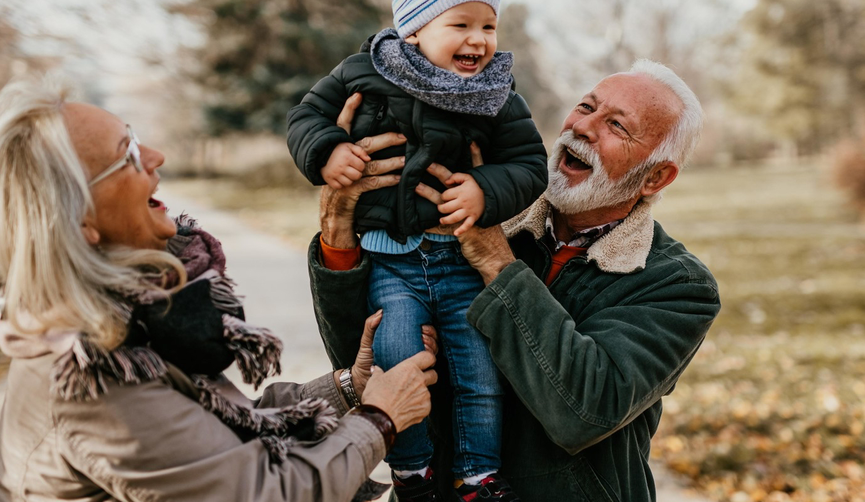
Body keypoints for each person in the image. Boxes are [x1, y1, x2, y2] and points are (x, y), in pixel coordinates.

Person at [0, 79, 438, 502]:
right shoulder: (92, 379)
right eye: (127, 155)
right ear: (77, 218)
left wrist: (349, 387)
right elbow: (263, 491)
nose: (156, 157)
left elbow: (215, 446)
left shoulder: (118, 320)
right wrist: (380, 418)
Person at [307, 59, 721, 502]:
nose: (582, 127)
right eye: (585, 106)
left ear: (657, 176)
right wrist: (339, 232)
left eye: (617, 125)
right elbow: (367, 362)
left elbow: (584, 410)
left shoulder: (677, 285)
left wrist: (495, 261)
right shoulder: (475, 213)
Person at [287, 0, 547, 500]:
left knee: (479, 373)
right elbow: (305, 116)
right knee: (396, 359)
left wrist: (485, 188)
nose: (479, 39)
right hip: (392, 260)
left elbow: (529, 163)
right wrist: (330, 150)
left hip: (459, 261)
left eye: (489, 25)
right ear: (413, 28)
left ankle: (478, 476)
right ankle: (412, 472)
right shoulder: (365, 71)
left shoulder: (496, 92)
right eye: (461, 23)